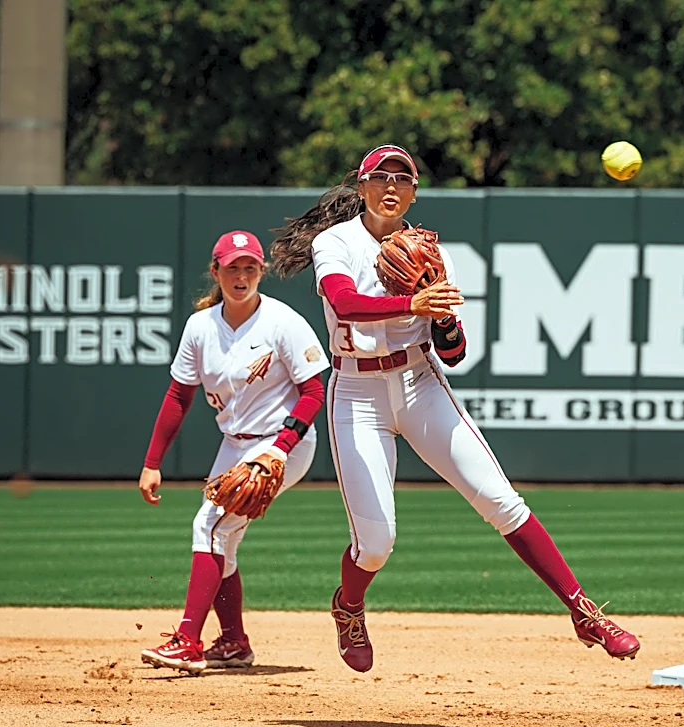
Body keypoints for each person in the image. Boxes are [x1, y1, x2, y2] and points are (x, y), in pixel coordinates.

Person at [270, 145, 640, 673]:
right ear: (362, 186)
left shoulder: (423, 249)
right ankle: (348, 605)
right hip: (358, 392)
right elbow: (345, 302)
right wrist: (412, 304)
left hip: (421, 382)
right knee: (375, 545)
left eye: (404, 179)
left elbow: (455, 353)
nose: (392, 186)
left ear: (414, 192)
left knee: (502, 501)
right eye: (382, 177)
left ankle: (584, 612)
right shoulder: (337, 241)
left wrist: (443, 322)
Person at [139, 230, 329, 675]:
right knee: (223, 539)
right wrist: (152, 462)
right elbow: (177, 396)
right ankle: (233, 643)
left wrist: (279, 451)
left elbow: (313, 391)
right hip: (235, 444)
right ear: (216, 271)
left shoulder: (283, 321)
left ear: (261, 271)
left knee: (208, 525)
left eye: (250, 267)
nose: (241, 275)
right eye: (232, 267)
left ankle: (188, 640)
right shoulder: (201, 327)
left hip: (284, 444)